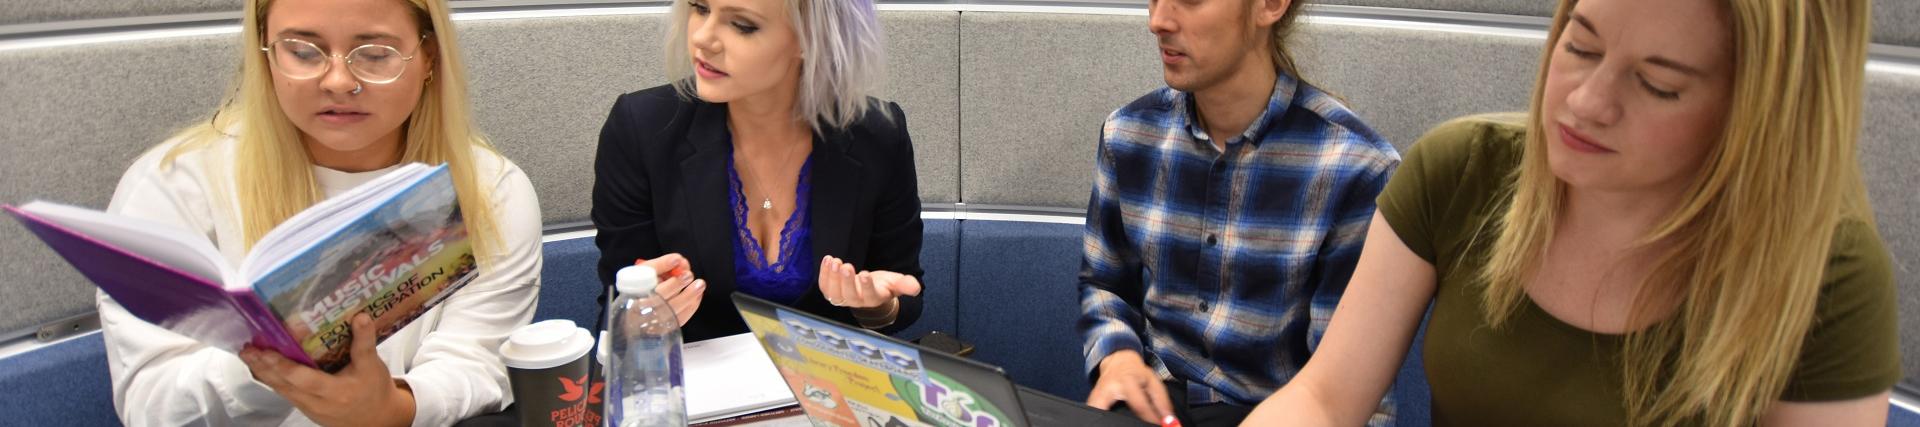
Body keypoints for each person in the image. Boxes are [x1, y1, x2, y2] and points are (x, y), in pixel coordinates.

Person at [1244, 0, 1898, 425]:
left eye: (1657, 84)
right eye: (1580, 46)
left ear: (1761, 114)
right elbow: (1326, 398)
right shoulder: (1461, 169)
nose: (1585, 102)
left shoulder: (1824, 271)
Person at [95, 0, 545, 424]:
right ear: (265, 54)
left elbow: (474, 364)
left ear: (428, 56)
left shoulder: (490, 192)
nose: (337, 81)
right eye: (303, 51)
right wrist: (263, 367)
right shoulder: (174, 184)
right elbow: (152, 406)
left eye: (374, 53)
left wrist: (392, 409)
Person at [1076, 0, 1400, 425]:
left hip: (1277, 412)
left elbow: (1350, 390)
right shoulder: (1129, 134)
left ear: (1269, 6)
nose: (1157, 21)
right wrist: (1117, 357)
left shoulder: (1355, 167)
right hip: (1156, 401)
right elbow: (1104, 281)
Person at [593, 0, 923, 342]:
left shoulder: (877, 135)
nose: (703, 38)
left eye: (742, 25)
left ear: (812, 39)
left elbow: (905, 295)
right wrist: (638, 320)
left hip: (830, 383)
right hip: (698, 383)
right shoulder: (642, 128)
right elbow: (614, 309)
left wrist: (876, 304)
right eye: (700, 8)